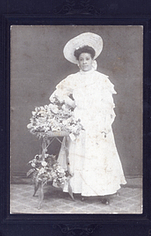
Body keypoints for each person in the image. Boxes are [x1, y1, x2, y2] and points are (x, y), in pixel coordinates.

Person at [49, 32, 126, 204]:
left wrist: (105, 122)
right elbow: (58, 94)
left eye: (87, 59)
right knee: (80, 152)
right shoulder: (73, 79)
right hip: (80, 119)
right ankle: (79, 189)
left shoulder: (101, 79)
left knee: (98, 153)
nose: (84, 62)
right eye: (82, 59)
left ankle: (102, 191)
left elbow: (108, 103)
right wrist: (73, 104)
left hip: (98, 120)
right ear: (78, 62)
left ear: (93, 60)